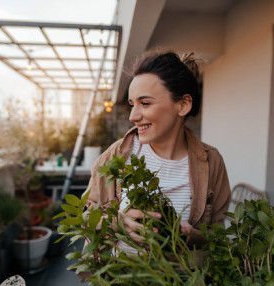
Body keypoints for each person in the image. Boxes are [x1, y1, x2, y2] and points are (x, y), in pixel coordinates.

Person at [85, 50, 231, 249]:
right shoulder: (116, 156)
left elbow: (218, 235)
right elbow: (85, 217)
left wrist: (192, 237)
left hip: (182, 278)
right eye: (132, 105)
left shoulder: (212, 162)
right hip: (118, 278)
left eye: (144, 103)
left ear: (183, 105)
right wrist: (117, 223)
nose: (133, 116)